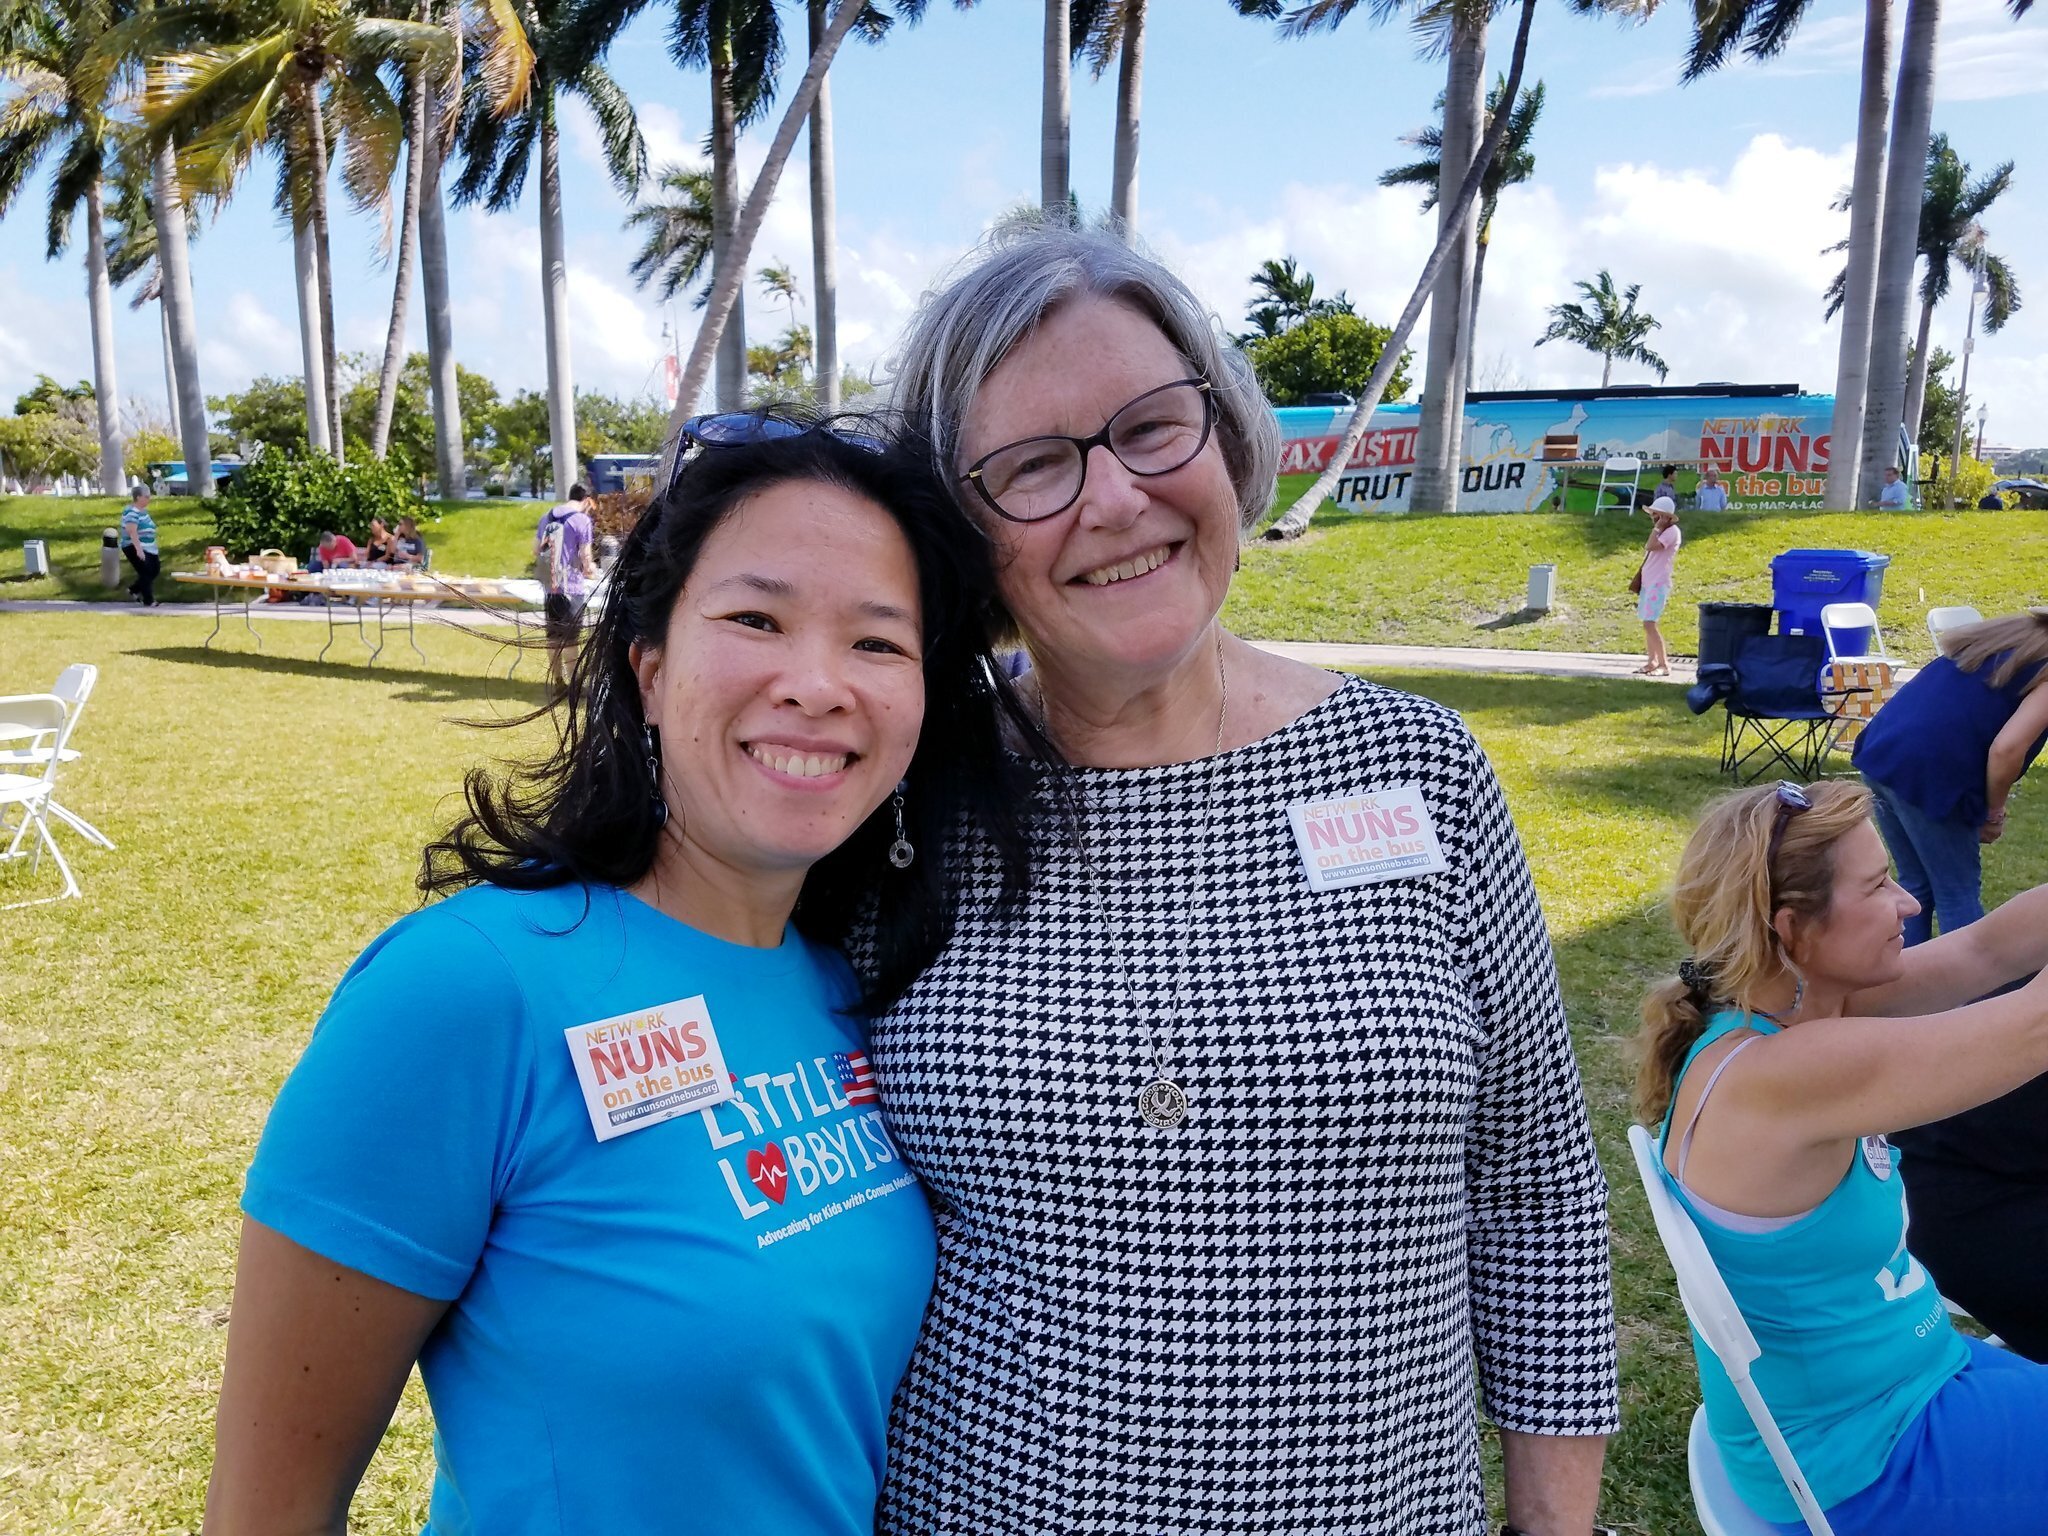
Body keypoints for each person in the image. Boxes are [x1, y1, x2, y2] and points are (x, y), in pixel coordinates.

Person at [881, 223, 1618, 1535]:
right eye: (1033, 467)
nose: (1114, 499)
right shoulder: (903, 785)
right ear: (959, 531)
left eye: (1153, 427)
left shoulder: (1418, 765)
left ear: (1225, 436)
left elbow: (1535, 1185)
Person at [201, 420, 1042, 1535]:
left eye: (878, 644)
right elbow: (269, 1513)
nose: (816, 684)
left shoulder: (850, 988)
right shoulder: (465, 992)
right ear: (648, 668)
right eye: (755, 619)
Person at [1638, 779, 2048, 1533]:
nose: (1908, 903)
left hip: (1902, 1392)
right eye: (1878, 886)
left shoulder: (1783, 1015)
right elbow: (2032, 1029)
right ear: (1792, 930)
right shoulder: (1788, 1073)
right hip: (1870, 1460)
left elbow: (1988, 949)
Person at [1852, 610, 2048, 1359]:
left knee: (1927, 899)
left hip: (1886, 755)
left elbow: (1982, 954)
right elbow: (2005, 745)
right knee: (1954, 905)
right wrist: (1991, 803)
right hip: (1962, 1194)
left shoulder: (1996, 642)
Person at [537, 484, 597, 687]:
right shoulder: (582, 520)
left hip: (550, 587)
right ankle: (574, 685)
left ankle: (557, 680)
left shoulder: (548, 516)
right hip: (571, 587)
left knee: (553, 637)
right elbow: (586, 556)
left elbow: (536, 550)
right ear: (587, 500)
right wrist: (590, 570)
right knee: (570, 639)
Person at [1636, 497, 1681, 676]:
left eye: (1656, 514)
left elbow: (1651, 546)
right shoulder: (1662, 531)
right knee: (1647, 623)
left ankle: (1664, 664)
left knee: (1650, 624)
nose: (1653, 517)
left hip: (1658, 584)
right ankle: (1652, 661)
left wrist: (1657, 528)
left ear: (1665, 516)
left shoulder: (1671, 532)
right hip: (1649, 583)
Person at [120, 485, 161, 606]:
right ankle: (149, 600)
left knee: (155, 569)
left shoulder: (143, 512)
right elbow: (132, 531)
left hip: (149, 547)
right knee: (146, 571)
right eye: (146, 497)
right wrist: (139, 550)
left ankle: (134, 589)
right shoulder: (131, 511)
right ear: (138, 497)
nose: (149, 499)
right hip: (134, 546)